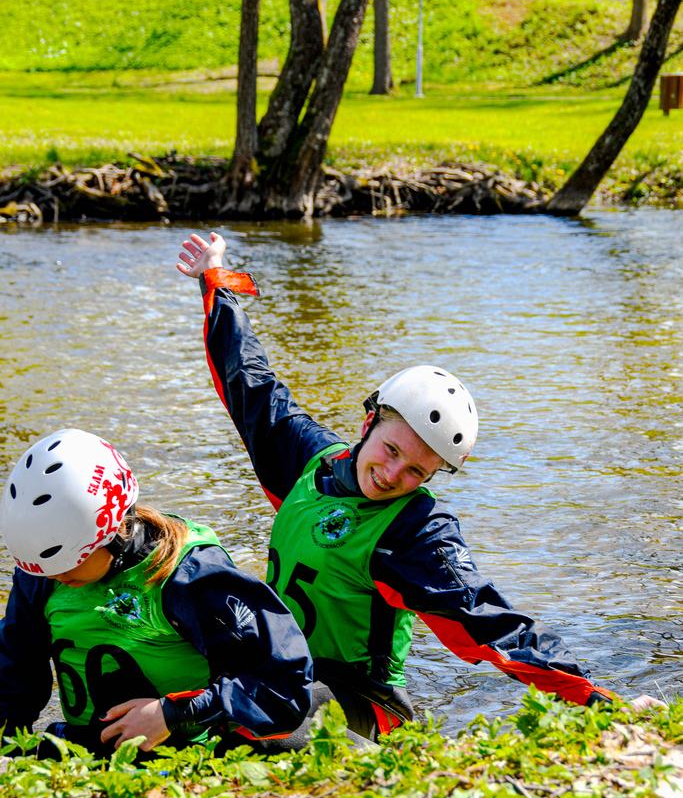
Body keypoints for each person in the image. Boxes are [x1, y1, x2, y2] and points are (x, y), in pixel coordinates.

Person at [177, 232, 664, 740]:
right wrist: (217, 281)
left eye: (417, 472)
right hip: (276, 676)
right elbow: (250, 380)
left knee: (255, 715)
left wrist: (604, 701)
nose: (392, 477)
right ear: (369, 423)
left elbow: (492, 627)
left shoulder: (416, 533)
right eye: (391, 451)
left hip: (357, 700)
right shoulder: (310, 460)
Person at [0, 427, 314, 757]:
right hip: (89, 748)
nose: (58, 576)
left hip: (192, 746)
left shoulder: (191, 575)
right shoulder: (42, 573)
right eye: (44, 567)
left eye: (69, 563)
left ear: (113, 531)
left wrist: (171, 714)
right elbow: (14, 680)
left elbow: (283, 684)